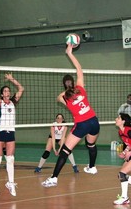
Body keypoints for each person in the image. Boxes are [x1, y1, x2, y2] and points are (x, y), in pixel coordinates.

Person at [41, 44, 100, 188]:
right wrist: (70, 53)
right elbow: (79, 68)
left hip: (82, 124)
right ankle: (92, 167)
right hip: (94, 121)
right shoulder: (80, 87)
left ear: (63, 85)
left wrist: (63, 93)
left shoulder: (64, 97)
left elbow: (58, 98)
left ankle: (54, 178)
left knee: (65, 152)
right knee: (91, 144)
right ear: (73, 82)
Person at [0, 71, 24, 197]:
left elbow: (21, 88)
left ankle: (11, 183)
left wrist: (11, 79)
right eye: (5, 91)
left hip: (11, 132)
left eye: (9, 91)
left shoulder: (13, 102)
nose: (8, 93)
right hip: (0, 131)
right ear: (2, 94)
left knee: (10, 159)